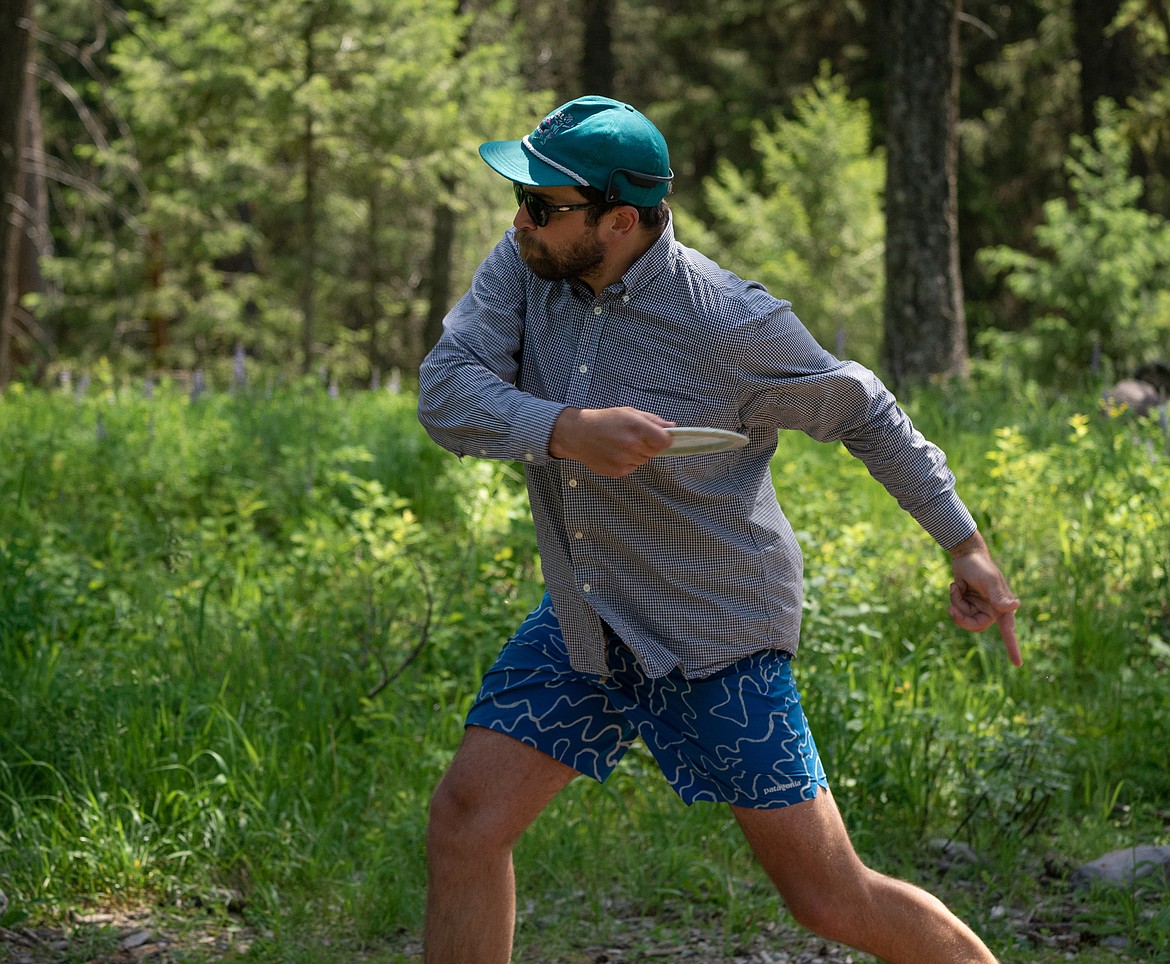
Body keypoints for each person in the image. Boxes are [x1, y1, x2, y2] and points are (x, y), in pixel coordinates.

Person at [417, 94, 1022, 964]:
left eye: (543, 206)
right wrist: (566, 427)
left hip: (718, 630)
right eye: (521, 199)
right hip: (587, 617)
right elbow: (444, 393)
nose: (520, 220)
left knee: (825, 895)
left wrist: (963, 542)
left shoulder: (731, 322)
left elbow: (865, 409)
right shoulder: (525, 266)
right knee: (466, 822)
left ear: (619, 220)